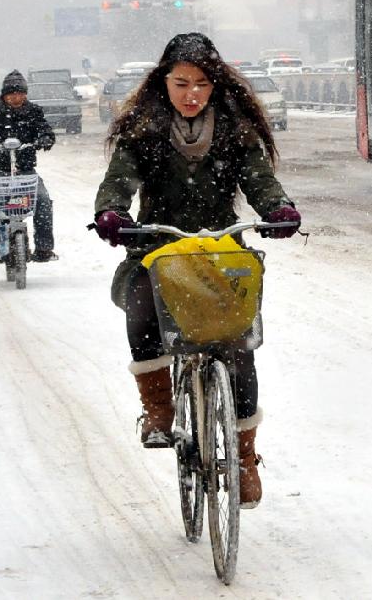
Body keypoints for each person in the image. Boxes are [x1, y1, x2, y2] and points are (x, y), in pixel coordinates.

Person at [93, 33, 301, 508]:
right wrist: (113, 213)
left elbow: (260, 181)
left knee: (238, 344)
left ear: (216, 86)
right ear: (163, 82)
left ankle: (245, 458)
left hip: (220, 250)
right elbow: (119, 180)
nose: (191, 94)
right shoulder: (142, 130)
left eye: (202, 84)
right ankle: (159, 410)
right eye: (181, 82)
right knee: (142, 306)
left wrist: (279, 209)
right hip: (159, 248)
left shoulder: (235, 130)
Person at [0, 69, 57, 262]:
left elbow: (46, 131)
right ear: (4, 95)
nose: (17, 98)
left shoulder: (34, 112)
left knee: (42, 199)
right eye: (12, 94)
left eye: (21, 94)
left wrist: (44, 139)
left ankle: (44, 247)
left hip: (25, 171)